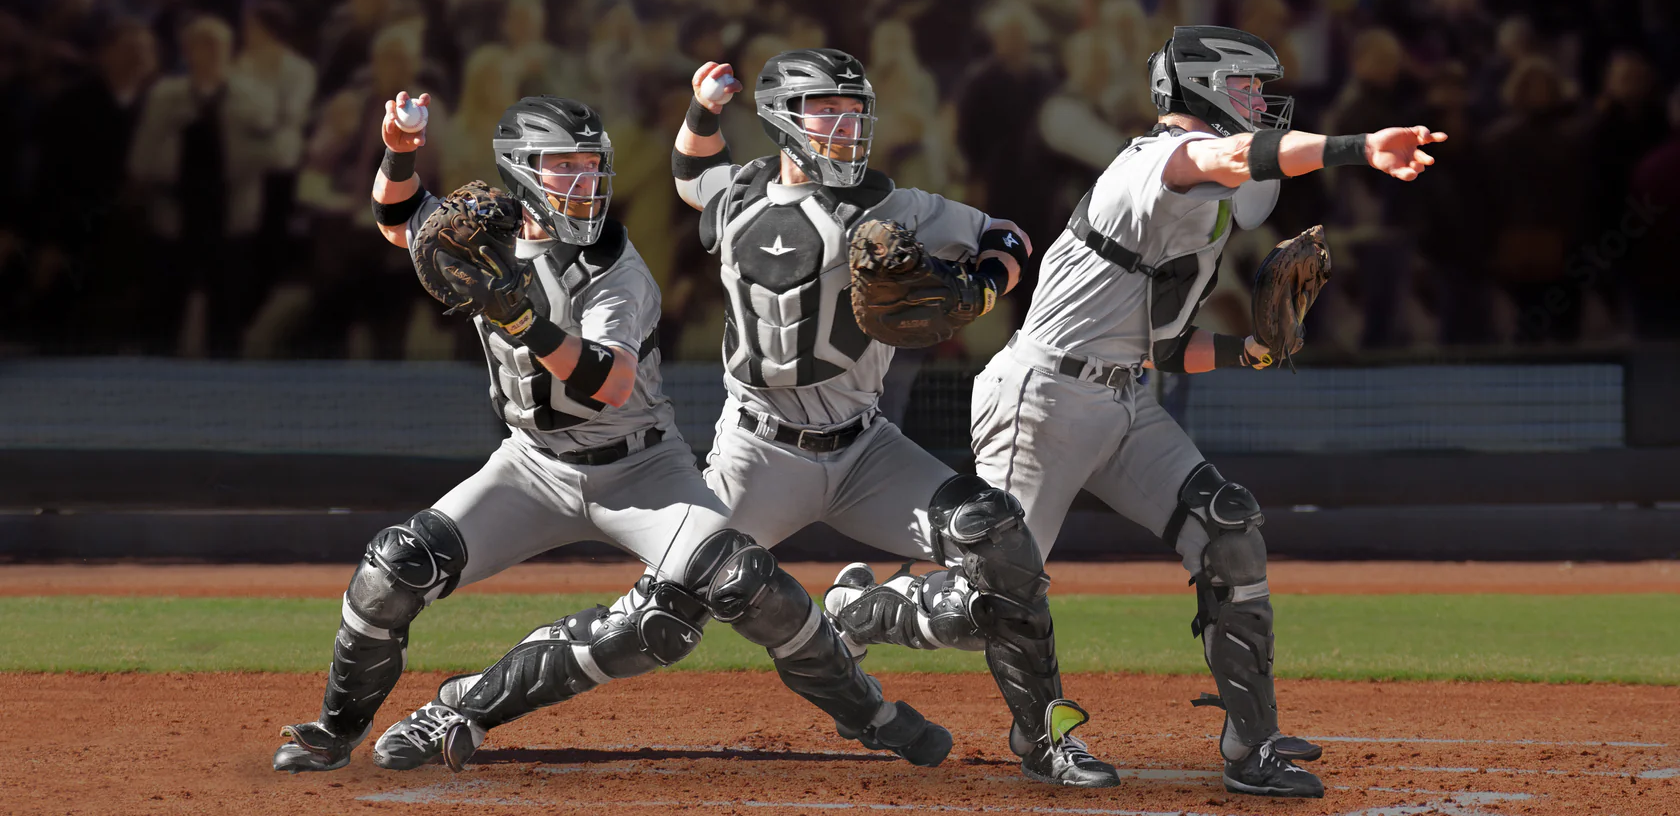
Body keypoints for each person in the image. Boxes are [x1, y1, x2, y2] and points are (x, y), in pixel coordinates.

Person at [384, 47, 1124, 789]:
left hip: (867, 448)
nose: (846, 130)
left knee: (996, 537)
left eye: (853, 114)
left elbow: (1007, 235)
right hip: (757, 452)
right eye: (827, 112)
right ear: (782, 119)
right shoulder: (738, 195)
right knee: (656, 625)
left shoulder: (891, 206)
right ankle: (464, 707)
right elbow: (688, 173)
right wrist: (704, 110)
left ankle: (1046, 737)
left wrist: (981, 289)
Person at [836, 25, 1449, 799]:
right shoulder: (1161, 159)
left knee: (1228, 526)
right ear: (1208, 89)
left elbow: (1165, 348)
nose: (1263, 104)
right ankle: (873, 614)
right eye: (1251, 88)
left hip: (1124, 395)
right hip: (1043, 398)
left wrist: (1251, 351)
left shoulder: (1198, 206)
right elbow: (1234, 157)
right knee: (991, 601)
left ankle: (1250, 744)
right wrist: (1359, 148)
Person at [272, 92, 948, 774]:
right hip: (531, 467)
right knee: (392, 571)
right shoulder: (489, 237)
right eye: (565, 167)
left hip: (642, 471)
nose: (585, 183)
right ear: (521, 170)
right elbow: (397, 218)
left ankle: (869, 713)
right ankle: (333, 732)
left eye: (592, 168)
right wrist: (401, 145)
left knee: (740, 587)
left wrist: (519, 320)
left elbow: (608, 382)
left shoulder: (613, 266)